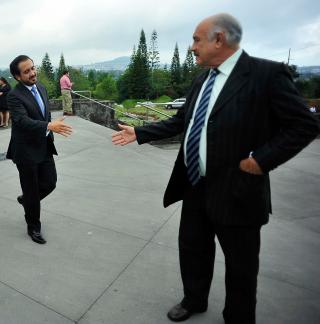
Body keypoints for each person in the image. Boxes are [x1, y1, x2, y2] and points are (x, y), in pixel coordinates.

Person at [112, 13, 318, 324]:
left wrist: (262, 160)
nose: (192, 46)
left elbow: (304, 125)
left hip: (238, 191)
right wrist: (140, 133)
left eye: (197, 39)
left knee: (241, 266)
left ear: (219, 39)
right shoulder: (203, 78)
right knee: (192, 248)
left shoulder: (266, 75)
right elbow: (183, 122)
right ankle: (194, 299)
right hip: (195, 184)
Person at [7, 55, 73, 244]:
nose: (33, 73)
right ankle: (33, 227)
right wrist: (49, 126)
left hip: (44, 146)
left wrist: (49, 128)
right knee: (31, 190)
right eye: (27, 71)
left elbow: (46, 114)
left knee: (50, 183)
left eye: (33, 68)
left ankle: (27, 200)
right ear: (18, 76)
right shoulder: (14, 96)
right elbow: (21, 121)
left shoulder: (42, 88)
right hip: (25, 151)